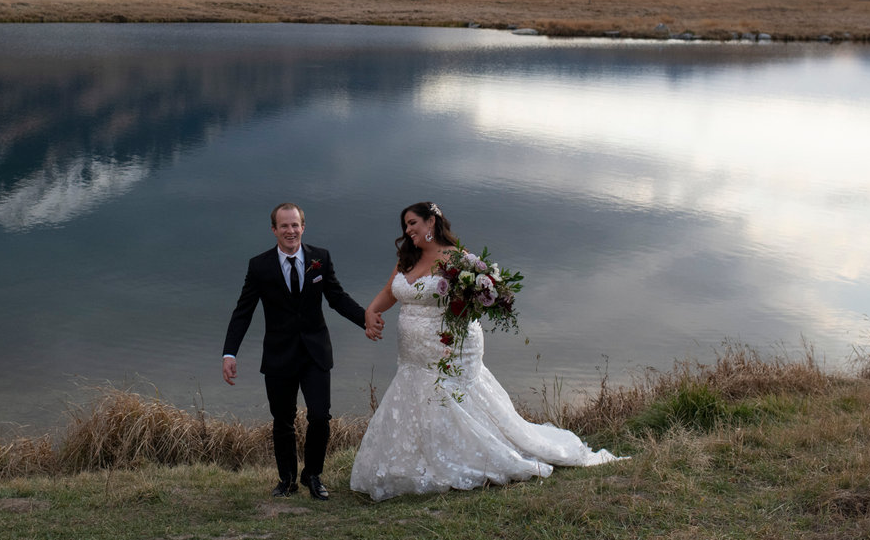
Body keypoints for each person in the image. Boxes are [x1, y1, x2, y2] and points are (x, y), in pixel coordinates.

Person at [349, 201, 622, 501]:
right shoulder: (407, 259)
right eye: (405, 225)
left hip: (446, 350)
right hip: (412, 355)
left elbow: (473, 304)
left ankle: (458, 459)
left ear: (431, 223)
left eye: (413, 223)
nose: (408, 230)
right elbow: (391, 291)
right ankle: (413, 462)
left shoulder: (458, 260)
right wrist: (371, 311)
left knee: (445, 399)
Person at [223, 202, 384, 500]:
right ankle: (287, 480)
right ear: (274, 230)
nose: (290, 230)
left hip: (315, 353)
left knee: (320, 417)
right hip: (278, 355)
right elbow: (243, 312)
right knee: (282, 420)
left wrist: (365, 318)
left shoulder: (319, 259)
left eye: (295, 224)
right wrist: (229, 353)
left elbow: (336, 297)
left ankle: (313, 474)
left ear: (303, 227)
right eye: (284, 225)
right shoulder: (259, 266)